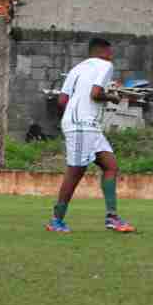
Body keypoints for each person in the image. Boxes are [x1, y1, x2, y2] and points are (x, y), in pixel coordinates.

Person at [45, 37, 134, 234]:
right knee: (75, 171)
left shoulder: (77, 68)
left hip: (88, 125)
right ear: (104, 52)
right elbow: (95, 94)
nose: (112, 56)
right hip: (81, 125)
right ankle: (56, 220)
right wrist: (113, 97)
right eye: (111, 52)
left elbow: (62, 100)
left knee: (110, 166)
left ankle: (112, 218)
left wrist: (75, 113)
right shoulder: (105, 65)